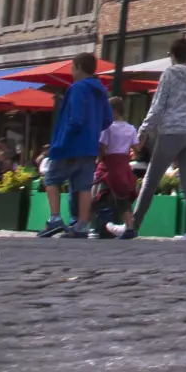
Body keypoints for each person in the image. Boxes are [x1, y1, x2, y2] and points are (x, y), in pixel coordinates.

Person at [110, 35, 186, 240]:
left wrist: (143, 131)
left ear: (173, 55)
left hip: (172, 131)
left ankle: (132, 227)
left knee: (151, 180)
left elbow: (158, 106)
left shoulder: (169, 74)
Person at [38, 54, 112, 239]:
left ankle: (55, 218)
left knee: (51, 179)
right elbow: (107, 119)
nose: (71, 71)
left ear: (78, 67)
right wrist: (92, 130)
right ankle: (81, 226)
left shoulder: (77, 88)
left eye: (72, 67)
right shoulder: (101, 90)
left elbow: (76, 119)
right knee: (84, 186)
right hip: (89, 146)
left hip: (70, 144)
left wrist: (63, 141)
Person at [91, 96, 138, 231]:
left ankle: (94, 226)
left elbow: (102, 148)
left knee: (96, 194)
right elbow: (137, 147)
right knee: (123, 196)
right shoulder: (131, 128)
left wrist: (98, 160)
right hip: (123, 165)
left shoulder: (108, 128)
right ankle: (130, 227)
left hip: (108, 164)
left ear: (115, 111)